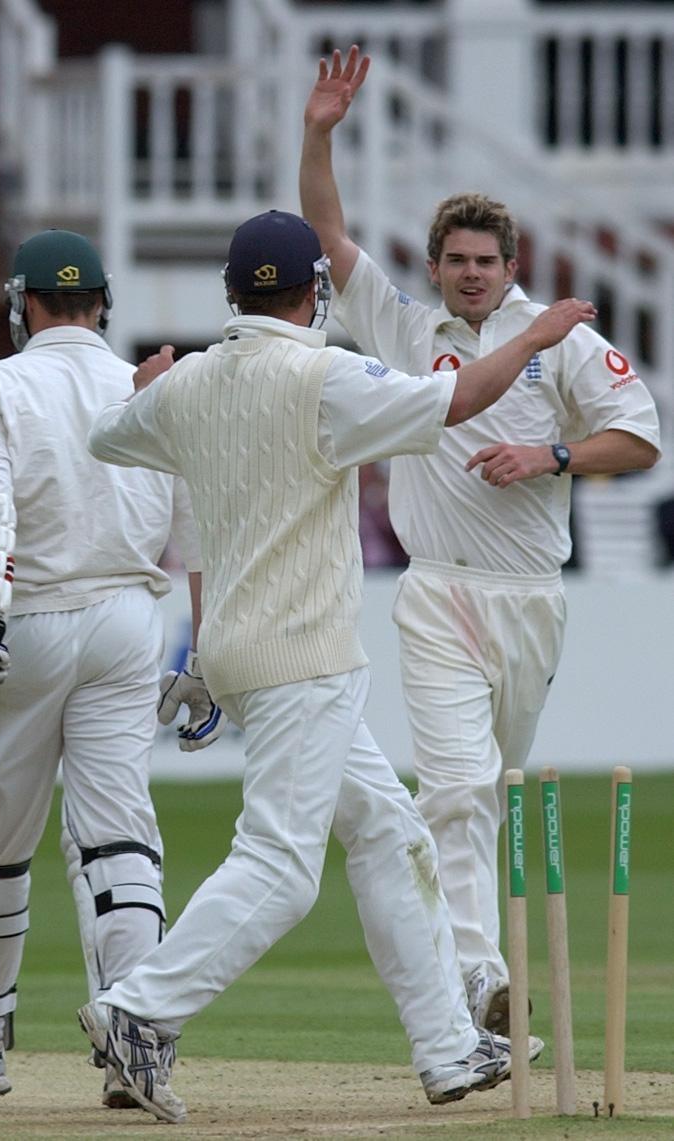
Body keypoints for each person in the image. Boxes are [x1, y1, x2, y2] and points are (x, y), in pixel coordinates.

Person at [79, 209, 596, 1124]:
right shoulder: (326, 377)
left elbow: (110, 438)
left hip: (239, 651)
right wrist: (542, 333)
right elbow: (459, 401)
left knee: (393, 832)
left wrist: (144, 382)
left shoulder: (192, 381)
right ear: (312, 291)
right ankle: (135, 1009)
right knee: (280, 865)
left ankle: (445, 1047)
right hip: (303, 656)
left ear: (234, 293)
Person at [299, 46, 661, 1034]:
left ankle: (456, 981)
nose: (468, 274)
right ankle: (476, 984)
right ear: (434, 267)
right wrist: (318, 131)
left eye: (483, 262)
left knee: (481, 797)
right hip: (437, 589)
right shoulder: (407, 329)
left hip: (531, 597)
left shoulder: (559, 341)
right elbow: (326, 238)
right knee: (454, 789)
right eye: (453, 261)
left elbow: (637, 441)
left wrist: (548, 455)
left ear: (510, 267)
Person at [0, 229, 225, 1108]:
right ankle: (141, 1043)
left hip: (33, 619)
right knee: (119, 834)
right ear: (105, 303)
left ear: (22, 307)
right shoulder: (152, 387)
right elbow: (197, 522)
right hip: (133, 623)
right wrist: (201, 649)